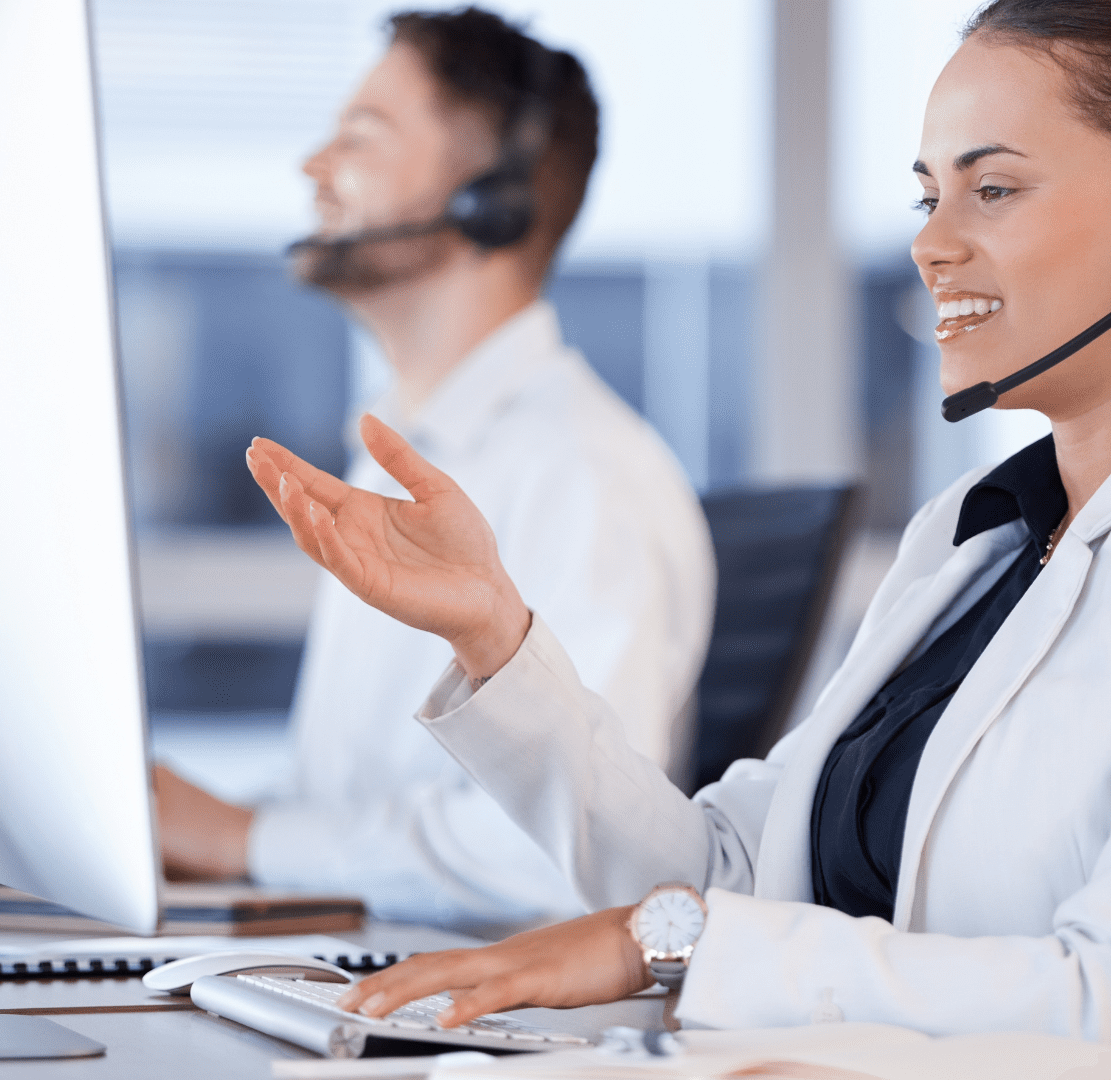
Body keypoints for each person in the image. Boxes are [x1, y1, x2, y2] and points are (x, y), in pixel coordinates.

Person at [242, 2, 1111, 1076]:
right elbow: (717, 871)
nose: (933, 242)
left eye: (994, 187)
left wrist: (679, 947)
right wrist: (500, 641)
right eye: (927, 194)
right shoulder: (972, 548)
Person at [153, 8, 716, 936]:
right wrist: (201, 828)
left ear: (492, 195)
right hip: (367, 964)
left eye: (360, 138)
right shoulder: (414, 453)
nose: (312, 167)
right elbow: (349, 797)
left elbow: (553, 857)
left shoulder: (582, 474)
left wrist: (247, 839)